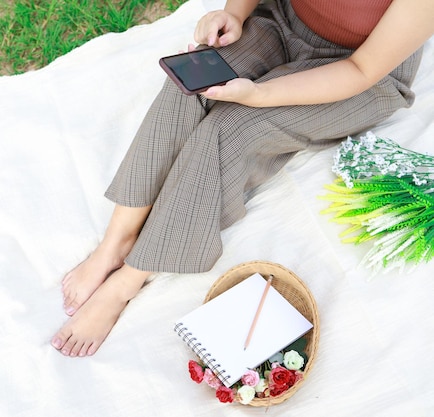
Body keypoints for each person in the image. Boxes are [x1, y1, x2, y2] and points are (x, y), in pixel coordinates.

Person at [51, 0, 434, 357]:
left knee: (232, 128)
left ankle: (130, 277)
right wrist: (234, 14)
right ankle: (116, 241)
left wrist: (259, 93)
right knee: (191, 82)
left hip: (359, 71)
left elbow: (361, 71)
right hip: (283, 20)